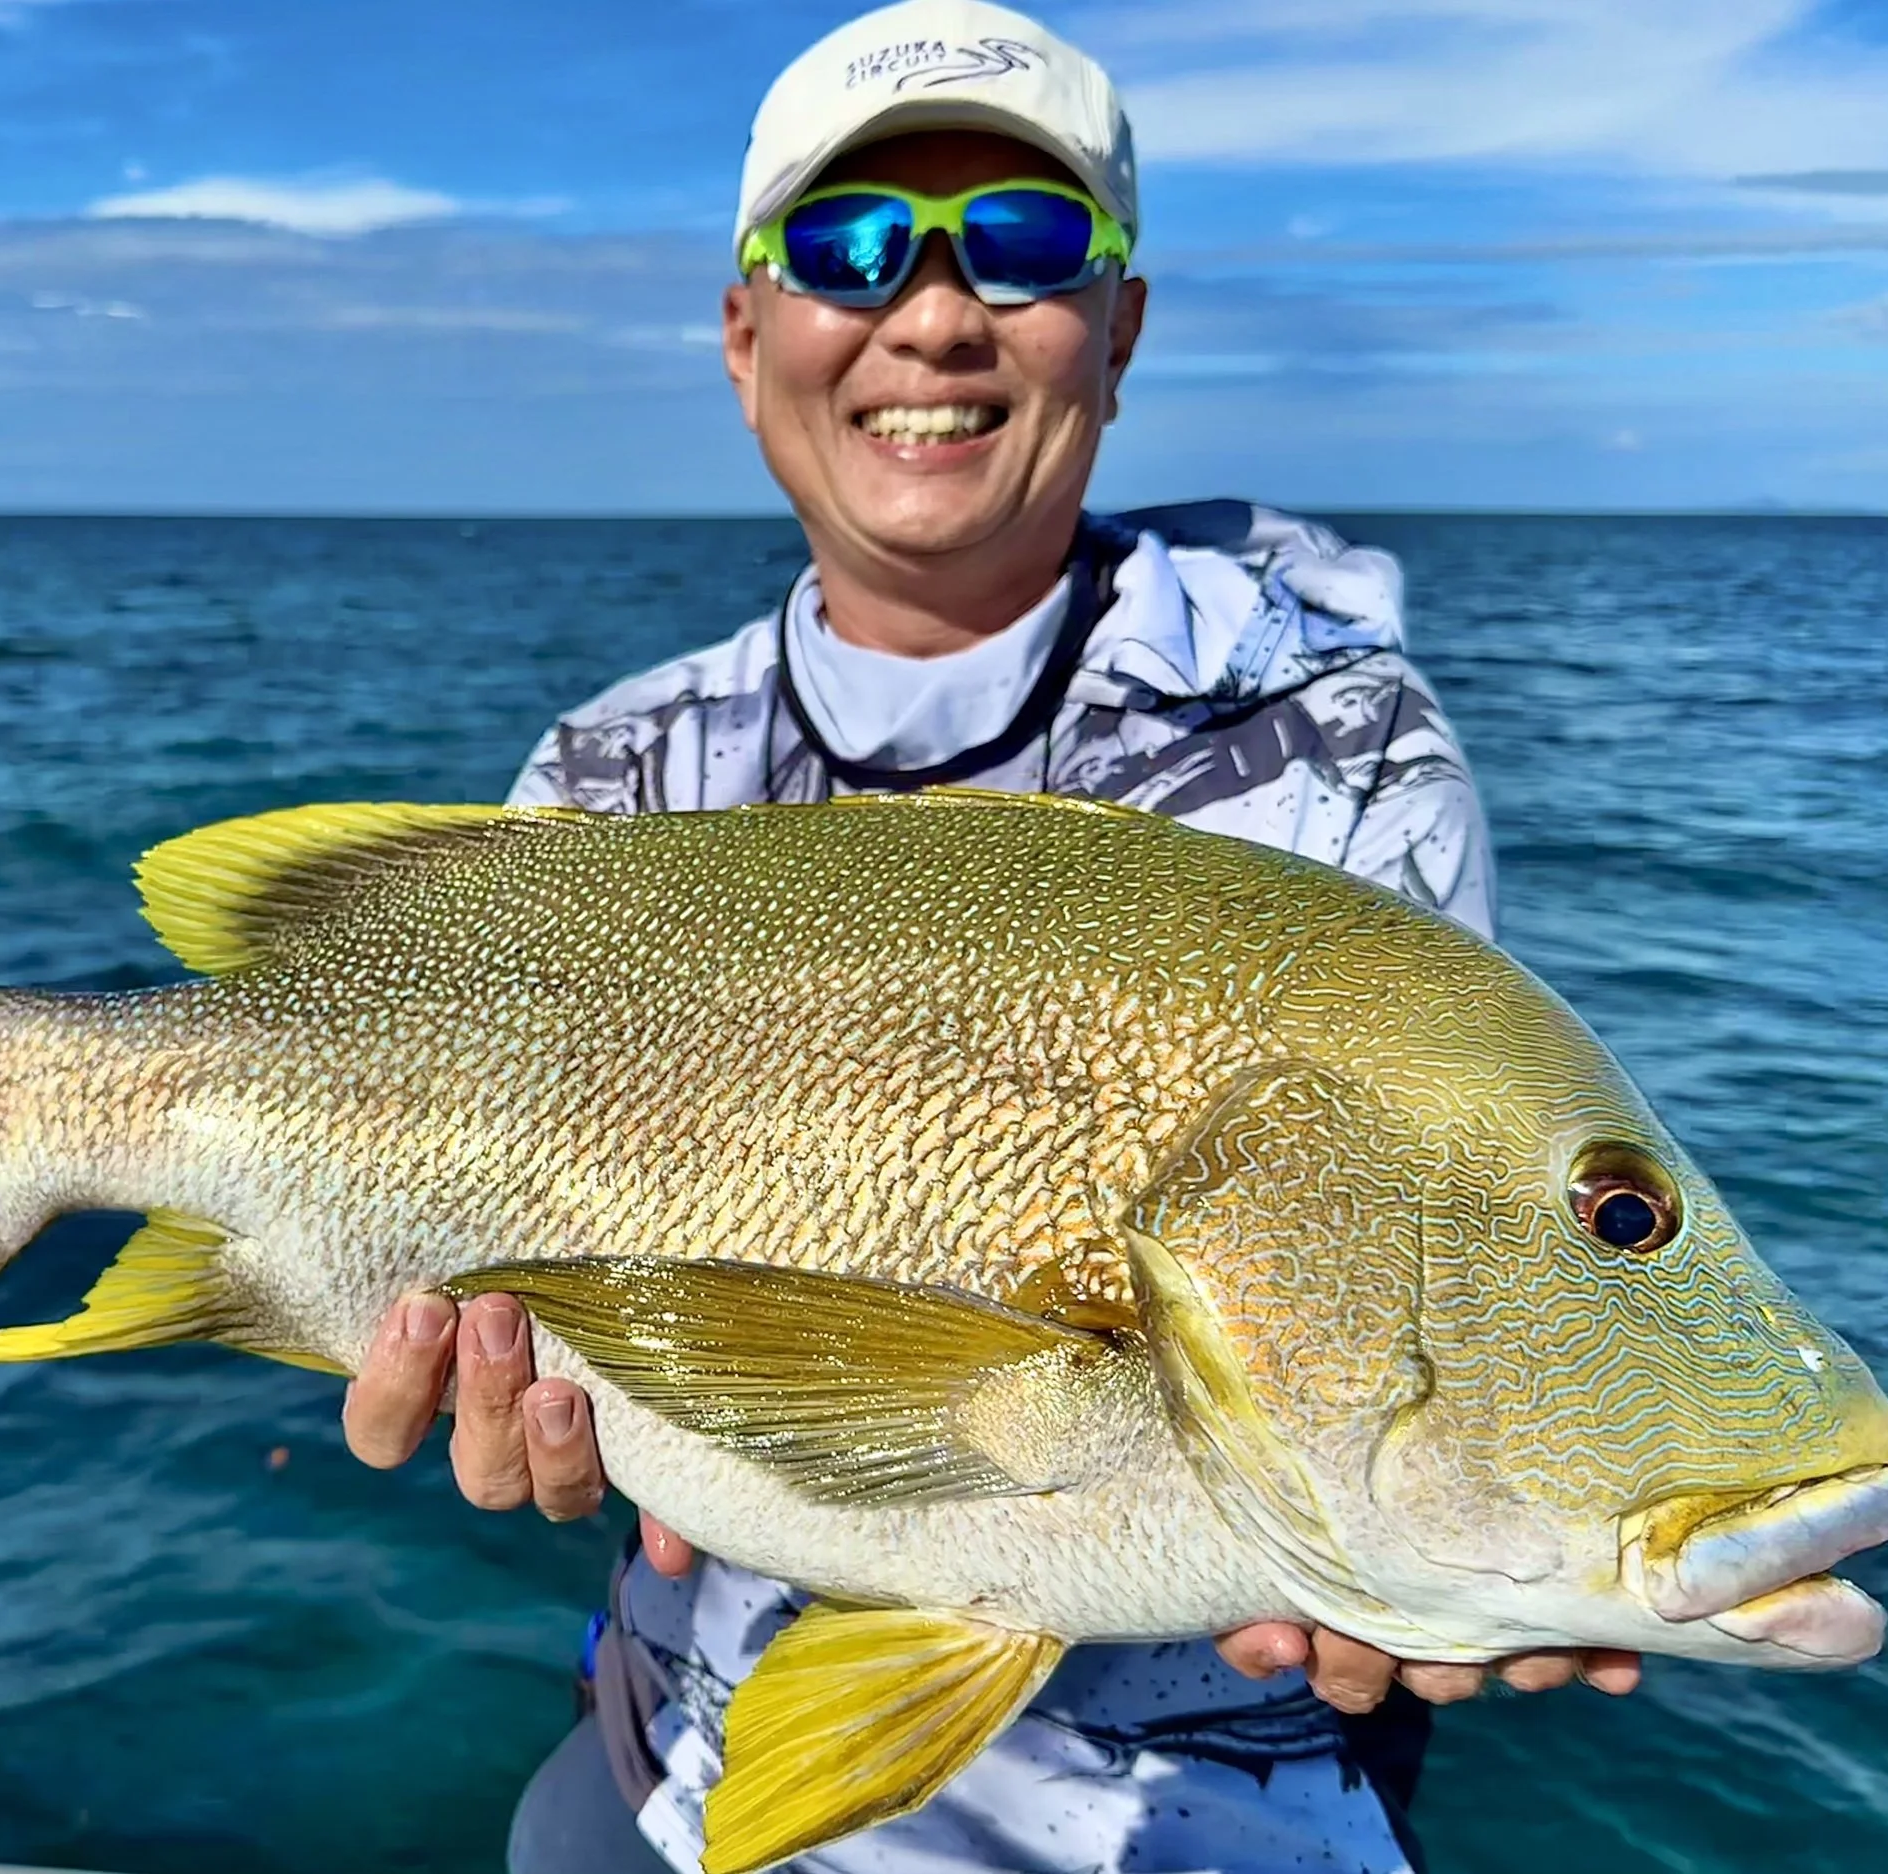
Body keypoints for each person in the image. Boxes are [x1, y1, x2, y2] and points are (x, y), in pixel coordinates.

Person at [338, 4, 1640, 1869]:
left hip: (1212, 1814)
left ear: (1117, 327)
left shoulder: (1340, 757)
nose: (933, 314)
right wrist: (494, 1398)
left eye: (1021, 243)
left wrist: (1469, 1533)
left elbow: (1411, 1284)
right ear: (744, 333)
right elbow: (567, 1351)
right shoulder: (610, 769)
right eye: (851, 245)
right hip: (689, 1765)